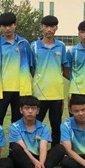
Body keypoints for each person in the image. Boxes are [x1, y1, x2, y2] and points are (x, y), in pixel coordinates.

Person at [0, 12, 34, 126]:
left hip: (21, 90)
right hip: (1, 90)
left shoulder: (24, 43)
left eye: (10, 25)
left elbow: (31, 66)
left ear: (15, 25)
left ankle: (16, 139)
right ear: (0, 27)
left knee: (19, 122)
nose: (7, 29)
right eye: (4, 26)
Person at [8, 95, 66, 168]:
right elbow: (24, 148)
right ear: (21, 110)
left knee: (60, 148)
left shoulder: (43, 127)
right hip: (25, 156)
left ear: (38, 111)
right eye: (27, 108)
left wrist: (40, 163)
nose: (30, 111)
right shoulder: (14, 127)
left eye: (33, 108)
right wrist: (36, 162)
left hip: (38, 157)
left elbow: (43, 147)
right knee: (15, 148)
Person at [30, 15, 68, 146]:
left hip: (56, 93)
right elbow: (32, 68)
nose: (49, 29)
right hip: (39, 93)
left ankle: (55, 151)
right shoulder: (34, 46)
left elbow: (63, 67)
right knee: (36, 124)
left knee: (56, 125)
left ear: (56, 28)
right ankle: (34, 151)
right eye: (46, 26)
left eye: (52, 26)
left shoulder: (61, 46)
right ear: (41, 27)